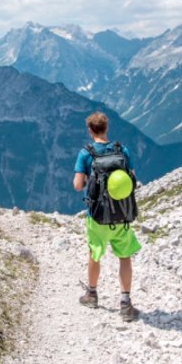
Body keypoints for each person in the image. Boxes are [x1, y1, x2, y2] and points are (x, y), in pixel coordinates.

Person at [73, 111, 140, 321]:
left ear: (90, 130)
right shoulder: (122, 150)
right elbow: (132, 178)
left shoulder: (86, 153)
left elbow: (77, 185)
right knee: (124, 256)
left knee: (95, 253)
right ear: (106, 128)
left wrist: (88, 182)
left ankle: (92, 294)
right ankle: (126, 304)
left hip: (97, 216)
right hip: (122, 213)